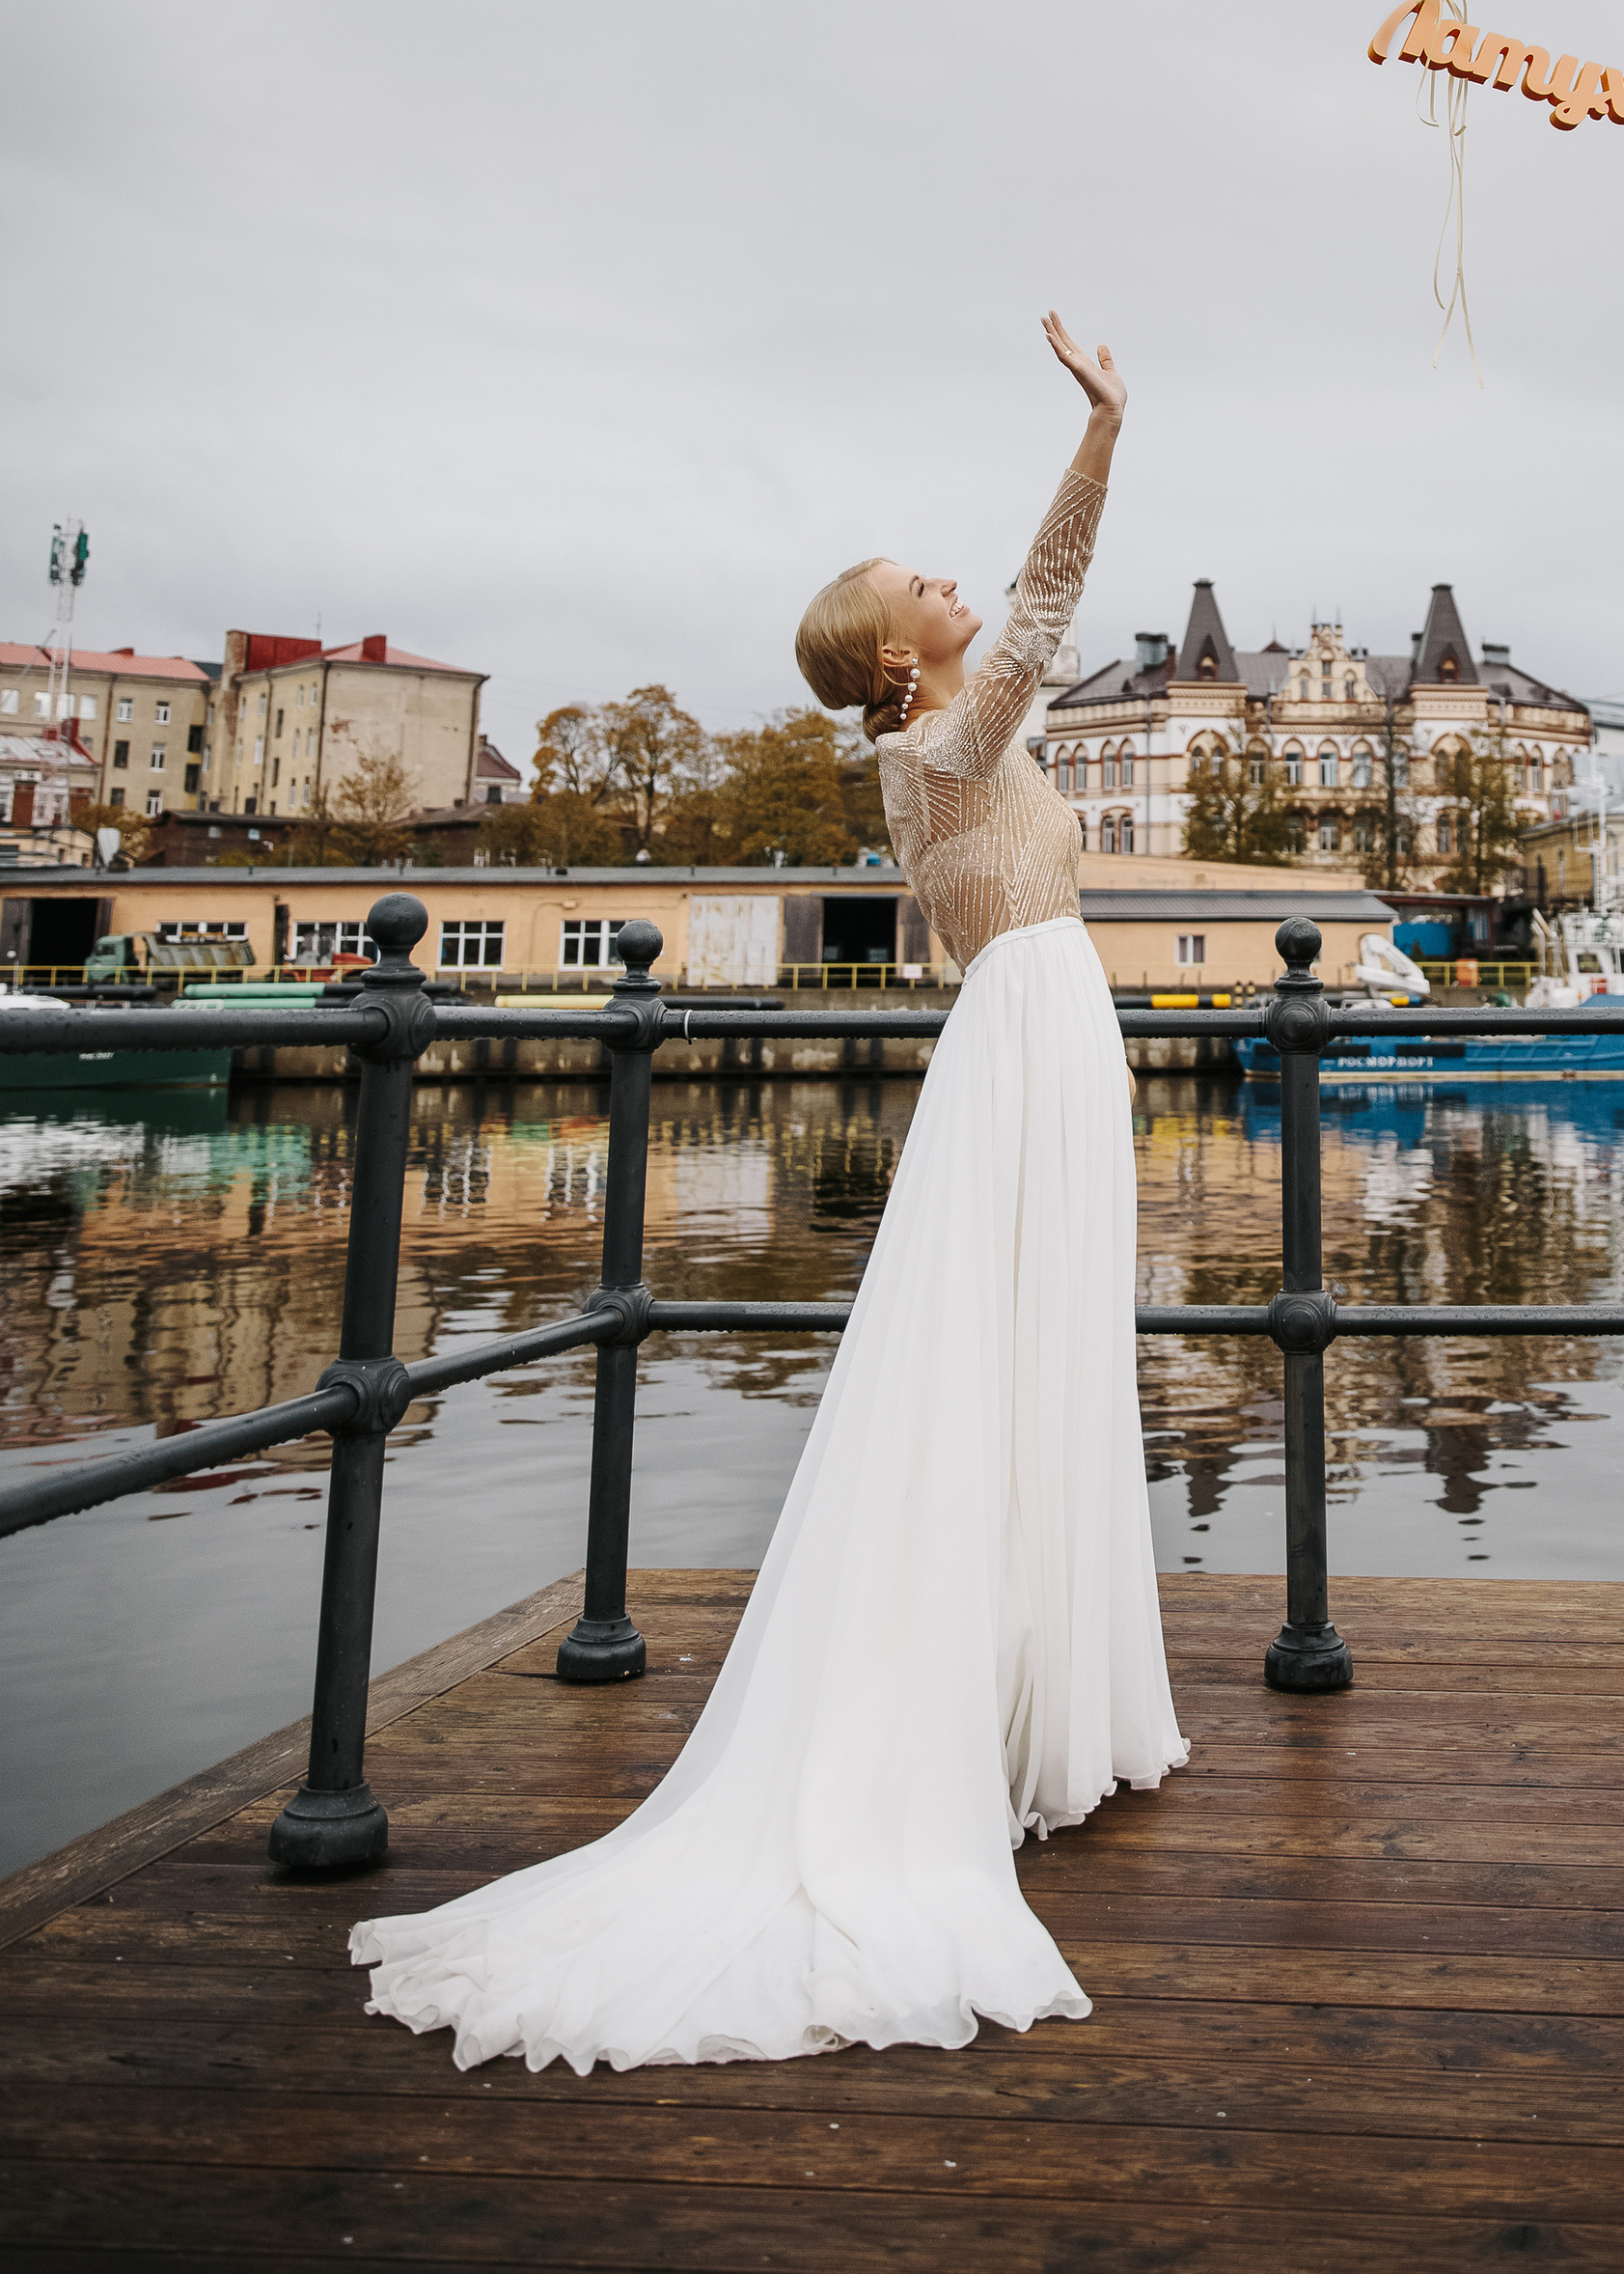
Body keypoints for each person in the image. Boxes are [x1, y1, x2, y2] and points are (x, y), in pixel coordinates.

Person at [350, 311, 1185, 2071]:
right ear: (893, 649)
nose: (950, 582)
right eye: (917, 578)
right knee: (1001, 1362)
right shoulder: (942, 746)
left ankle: (1035, 1710)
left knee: (1040, 1358)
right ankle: (963, 1736)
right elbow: (1043, 601)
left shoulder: (940, 743)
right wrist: (1105, 429)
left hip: (1041, 1030)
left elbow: (1022, 631)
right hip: (1028, 1033)